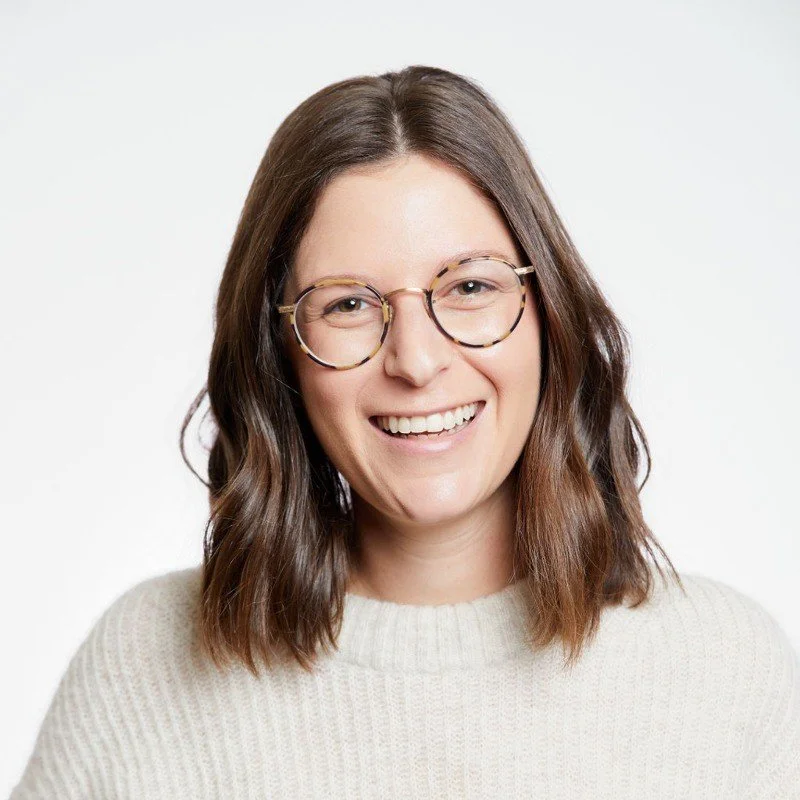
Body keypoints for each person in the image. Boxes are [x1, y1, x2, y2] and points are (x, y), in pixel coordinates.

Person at [12, 65, 800, 799]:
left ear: (548, 315)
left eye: (469, 286)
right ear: (278, 351)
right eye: (348, 304)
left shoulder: (725, 673)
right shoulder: (143, 666)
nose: (417, 361)